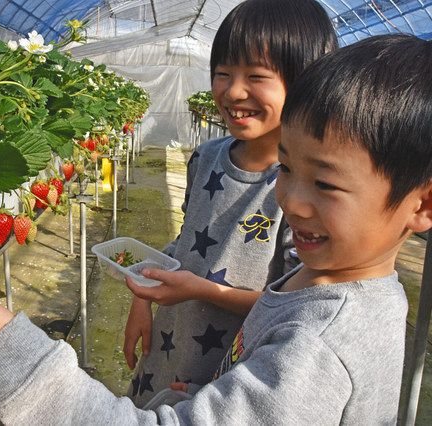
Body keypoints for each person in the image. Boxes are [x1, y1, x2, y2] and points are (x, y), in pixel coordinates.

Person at [0, 34, 432, 423]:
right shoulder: (336, 278)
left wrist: (16, 354)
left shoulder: (319, 352)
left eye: (326, 183)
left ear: (422, 203)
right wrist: (208, 393)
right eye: (287, 169)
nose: (292, 200)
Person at [123, 0, 337, 406]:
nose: (233, 91)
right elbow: (185, 242)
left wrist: (203, 291)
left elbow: (295, 305)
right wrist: (142, 298)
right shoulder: (206, 158)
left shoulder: (304, 191)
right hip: (171, 342)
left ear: (307, 84)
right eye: (222, 74)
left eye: (256, 76)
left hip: (230, 372)